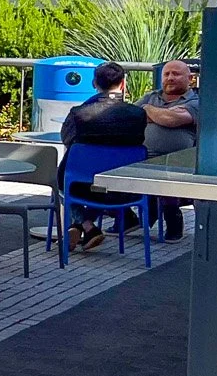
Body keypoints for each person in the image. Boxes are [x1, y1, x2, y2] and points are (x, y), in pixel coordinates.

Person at [60, 60, 150, 251]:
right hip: (127, 186)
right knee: (102, 184)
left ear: (95, 83)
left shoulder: (79, 113)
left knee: (63, 181)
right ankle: (86, 226)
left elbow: (67, 140)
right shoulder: (138, 114)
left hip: (83, 184)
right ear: (123, 83)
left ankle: (84, 225)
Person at [140, 59, 199, 241]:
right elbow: (130, 117)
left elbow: (172, 120)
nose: (170, 78)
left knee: (166, 173)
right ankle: (129, 218)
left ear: (190, 79)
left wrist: (147, 110)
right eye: (166, 74)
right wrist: (163, 114)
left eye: (176, 74)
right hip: (141, 158)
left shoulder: (196, 101)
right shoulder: (151, 96)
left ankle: (173, 220)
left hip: (179, 161)